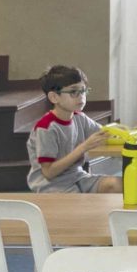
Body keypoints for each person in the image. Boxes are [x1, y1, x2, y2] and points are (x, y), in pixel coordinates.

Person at [26, 64, 119, 194]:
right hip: (51, 186)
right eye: (73, 92)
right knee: (83, 205)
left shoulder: (79, 117)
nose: (81, 96)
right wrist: (83, 147)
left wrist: (130, 134)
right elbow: (48, 173)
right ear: (54, 97)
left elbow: (105, 133)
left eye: (83, 90)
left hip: (76, 177)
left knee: (117, 185)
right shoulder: (46, 128)